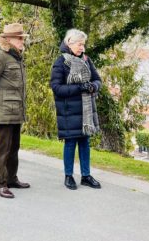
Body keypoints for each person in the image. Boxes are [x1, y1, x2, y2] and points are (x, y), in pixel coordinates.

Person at [0, 23, 30, 199]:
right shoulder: (0, 56)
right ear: (8, 39)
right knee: (2, 149)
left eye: (23, 38)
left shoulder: (16, 57)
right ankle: (0, 184)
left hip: (16, 109)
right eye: (19, 38)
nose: (23, 41)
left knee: (13, 147)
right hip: (3, 110)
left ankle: (11, 178)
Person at [50, 29, 102, 190]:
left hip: (86, 111)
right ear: (70, 42)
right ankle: (69, 176)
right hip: (69, 111)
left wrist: (93, 86)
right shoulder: (61, 62)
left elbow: (98, 80)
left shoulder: (87, 60)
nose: (82, 48)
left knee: (85, 142)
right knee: (71, 143)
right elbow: (56, 88)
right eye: (80, 44)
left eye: (83, 45)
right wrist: (79, 88)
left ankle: (86, 176)